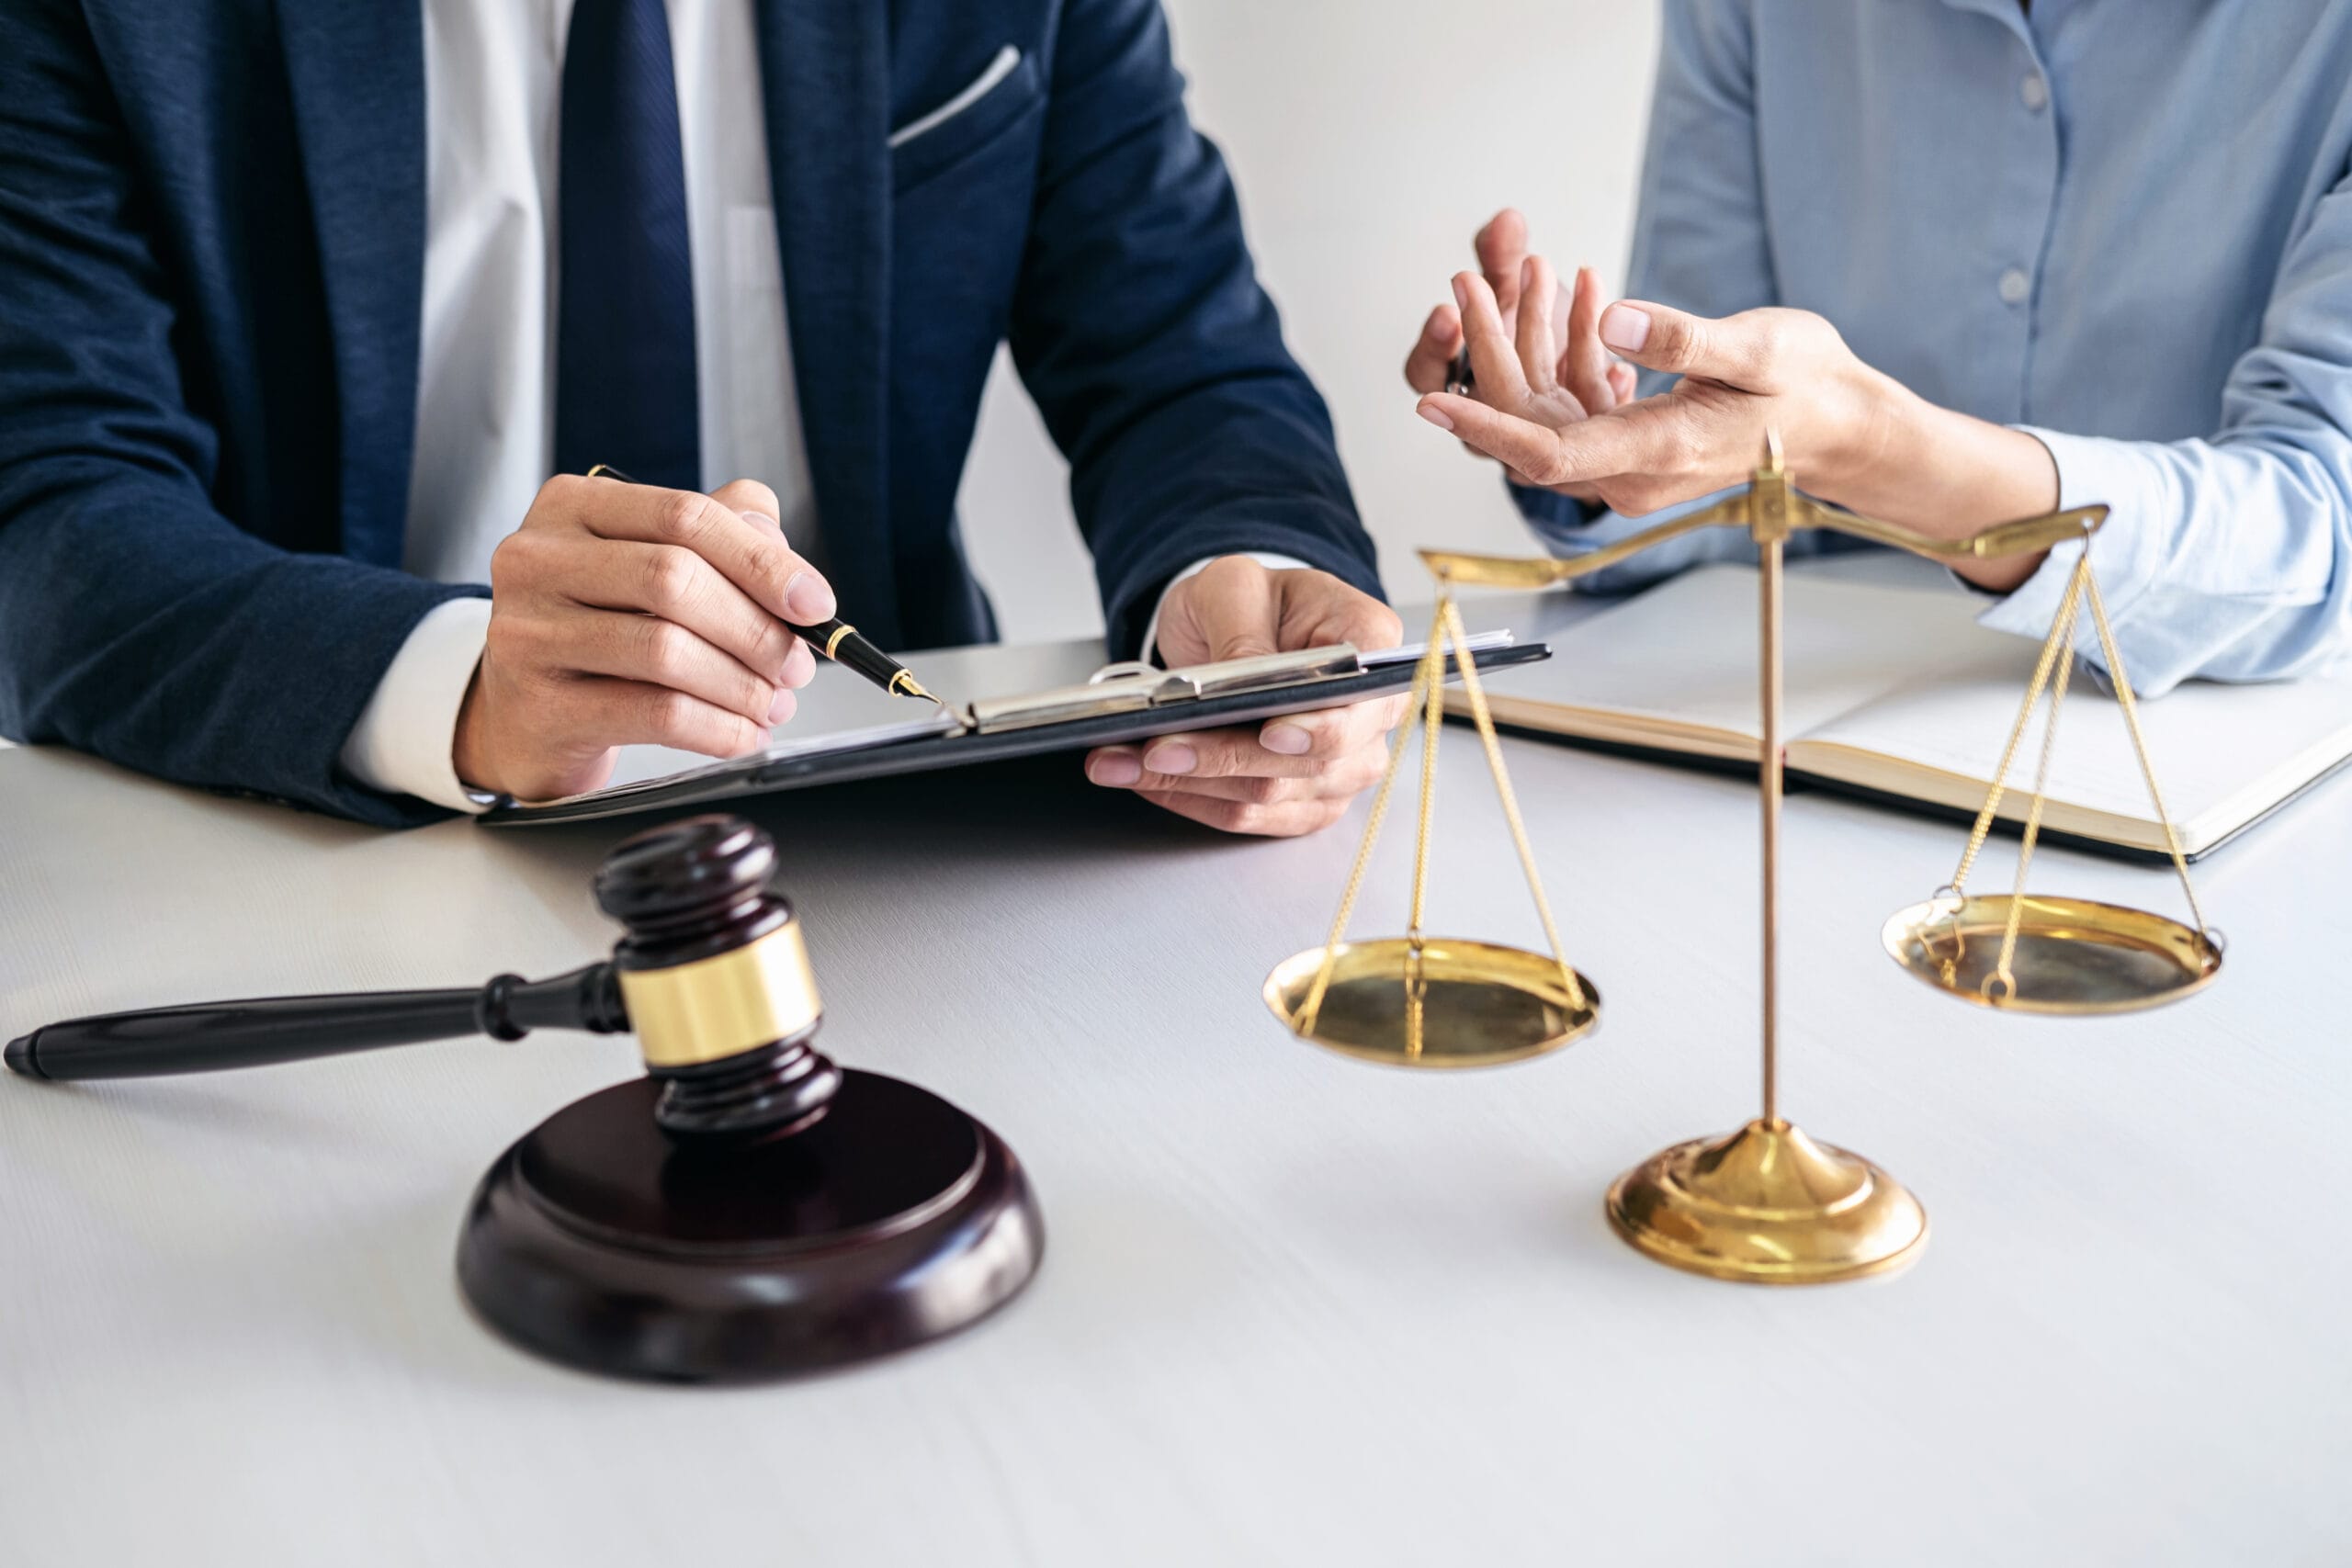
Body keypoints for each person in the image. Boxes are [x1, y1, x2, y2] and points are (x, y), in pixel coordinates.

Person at [0, 0, 1400, 838]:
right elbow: (50, 506)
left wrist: (1242, 580)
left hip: (905, 832)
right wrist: (461, 687)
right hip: (337, 835)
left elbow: (1182, 360)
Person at [1403, 0, 2352, 697]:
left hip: (2215, 741)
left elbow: (2320, 527)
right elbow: (1731, 446)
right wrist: (1605, 452)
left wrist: (1871, 445)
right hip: (1800, 704)